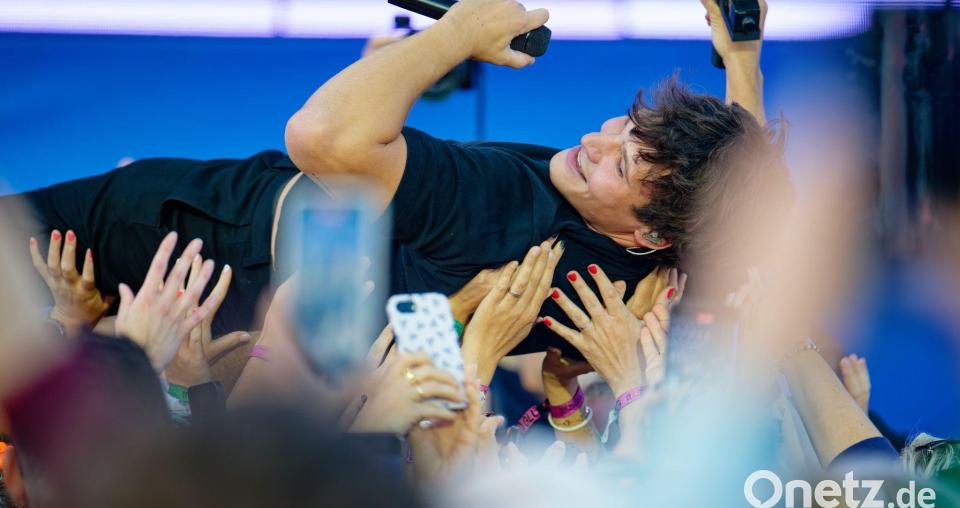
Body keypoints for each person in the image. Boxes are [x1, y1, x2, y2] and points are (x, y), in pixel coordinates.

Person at [0, 1, 787, 361]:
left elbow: (318, 136)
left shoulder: (498, 202)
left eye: (619, 163)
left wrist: (455, 34)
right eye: (621, 126)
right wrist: (742, 66)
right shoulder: (651, 269)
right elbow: (744, 217)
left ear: (653, 229)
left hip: (194, 234)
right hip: (252, 297)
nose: (593, 140)